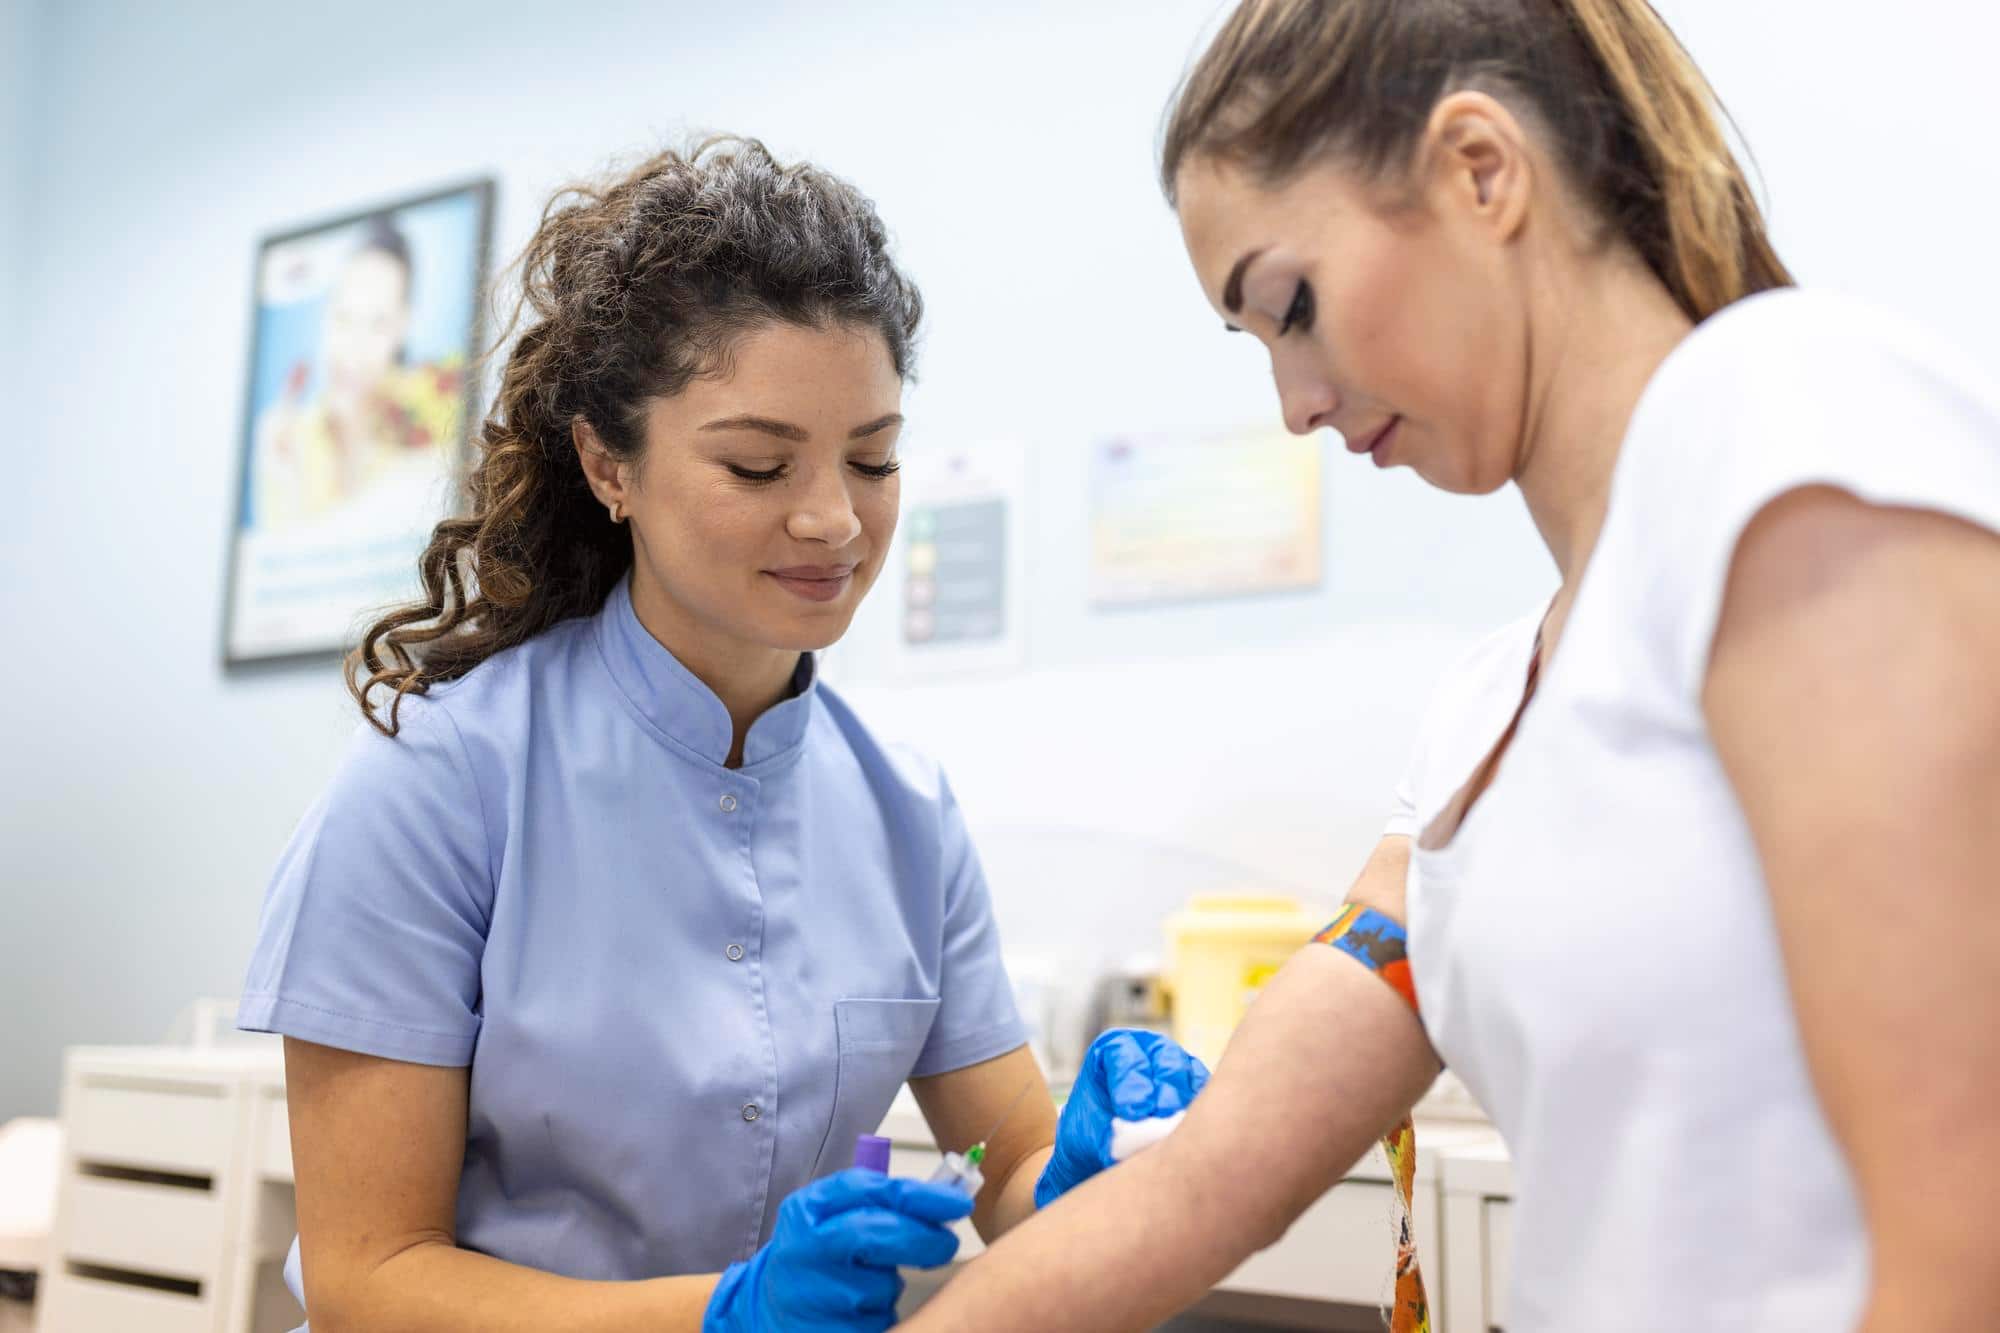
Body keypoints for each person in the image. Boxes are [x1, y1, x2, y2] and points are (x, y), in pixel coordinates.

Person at [903, 2, 2000, 1330]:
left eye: (1290, 307)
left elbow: (1965, 1248)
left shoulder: (1782, 423)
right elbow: (1199, 1189)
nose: (1294, 404)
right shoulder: (1495, 723)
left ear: (1480, 168)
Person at [237, 137, 1200, 1333]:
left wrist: (1087, 1171)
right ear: (607, 463)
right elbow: (368, 1278)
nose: (832, 519)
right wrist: (721, 1314)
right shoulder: (441, 784)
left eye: (874, 457)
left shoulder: (903, 811)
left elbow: (1009, 1172)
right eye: (756, 464)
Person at [253, 214, 464, 526]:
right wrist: (284, 475)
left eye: (377, 324)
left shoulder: (437, 409)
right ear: (325, 315)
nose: (354, 346)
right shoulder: (287, 434)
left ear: (402, 327)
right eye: (343, 317)